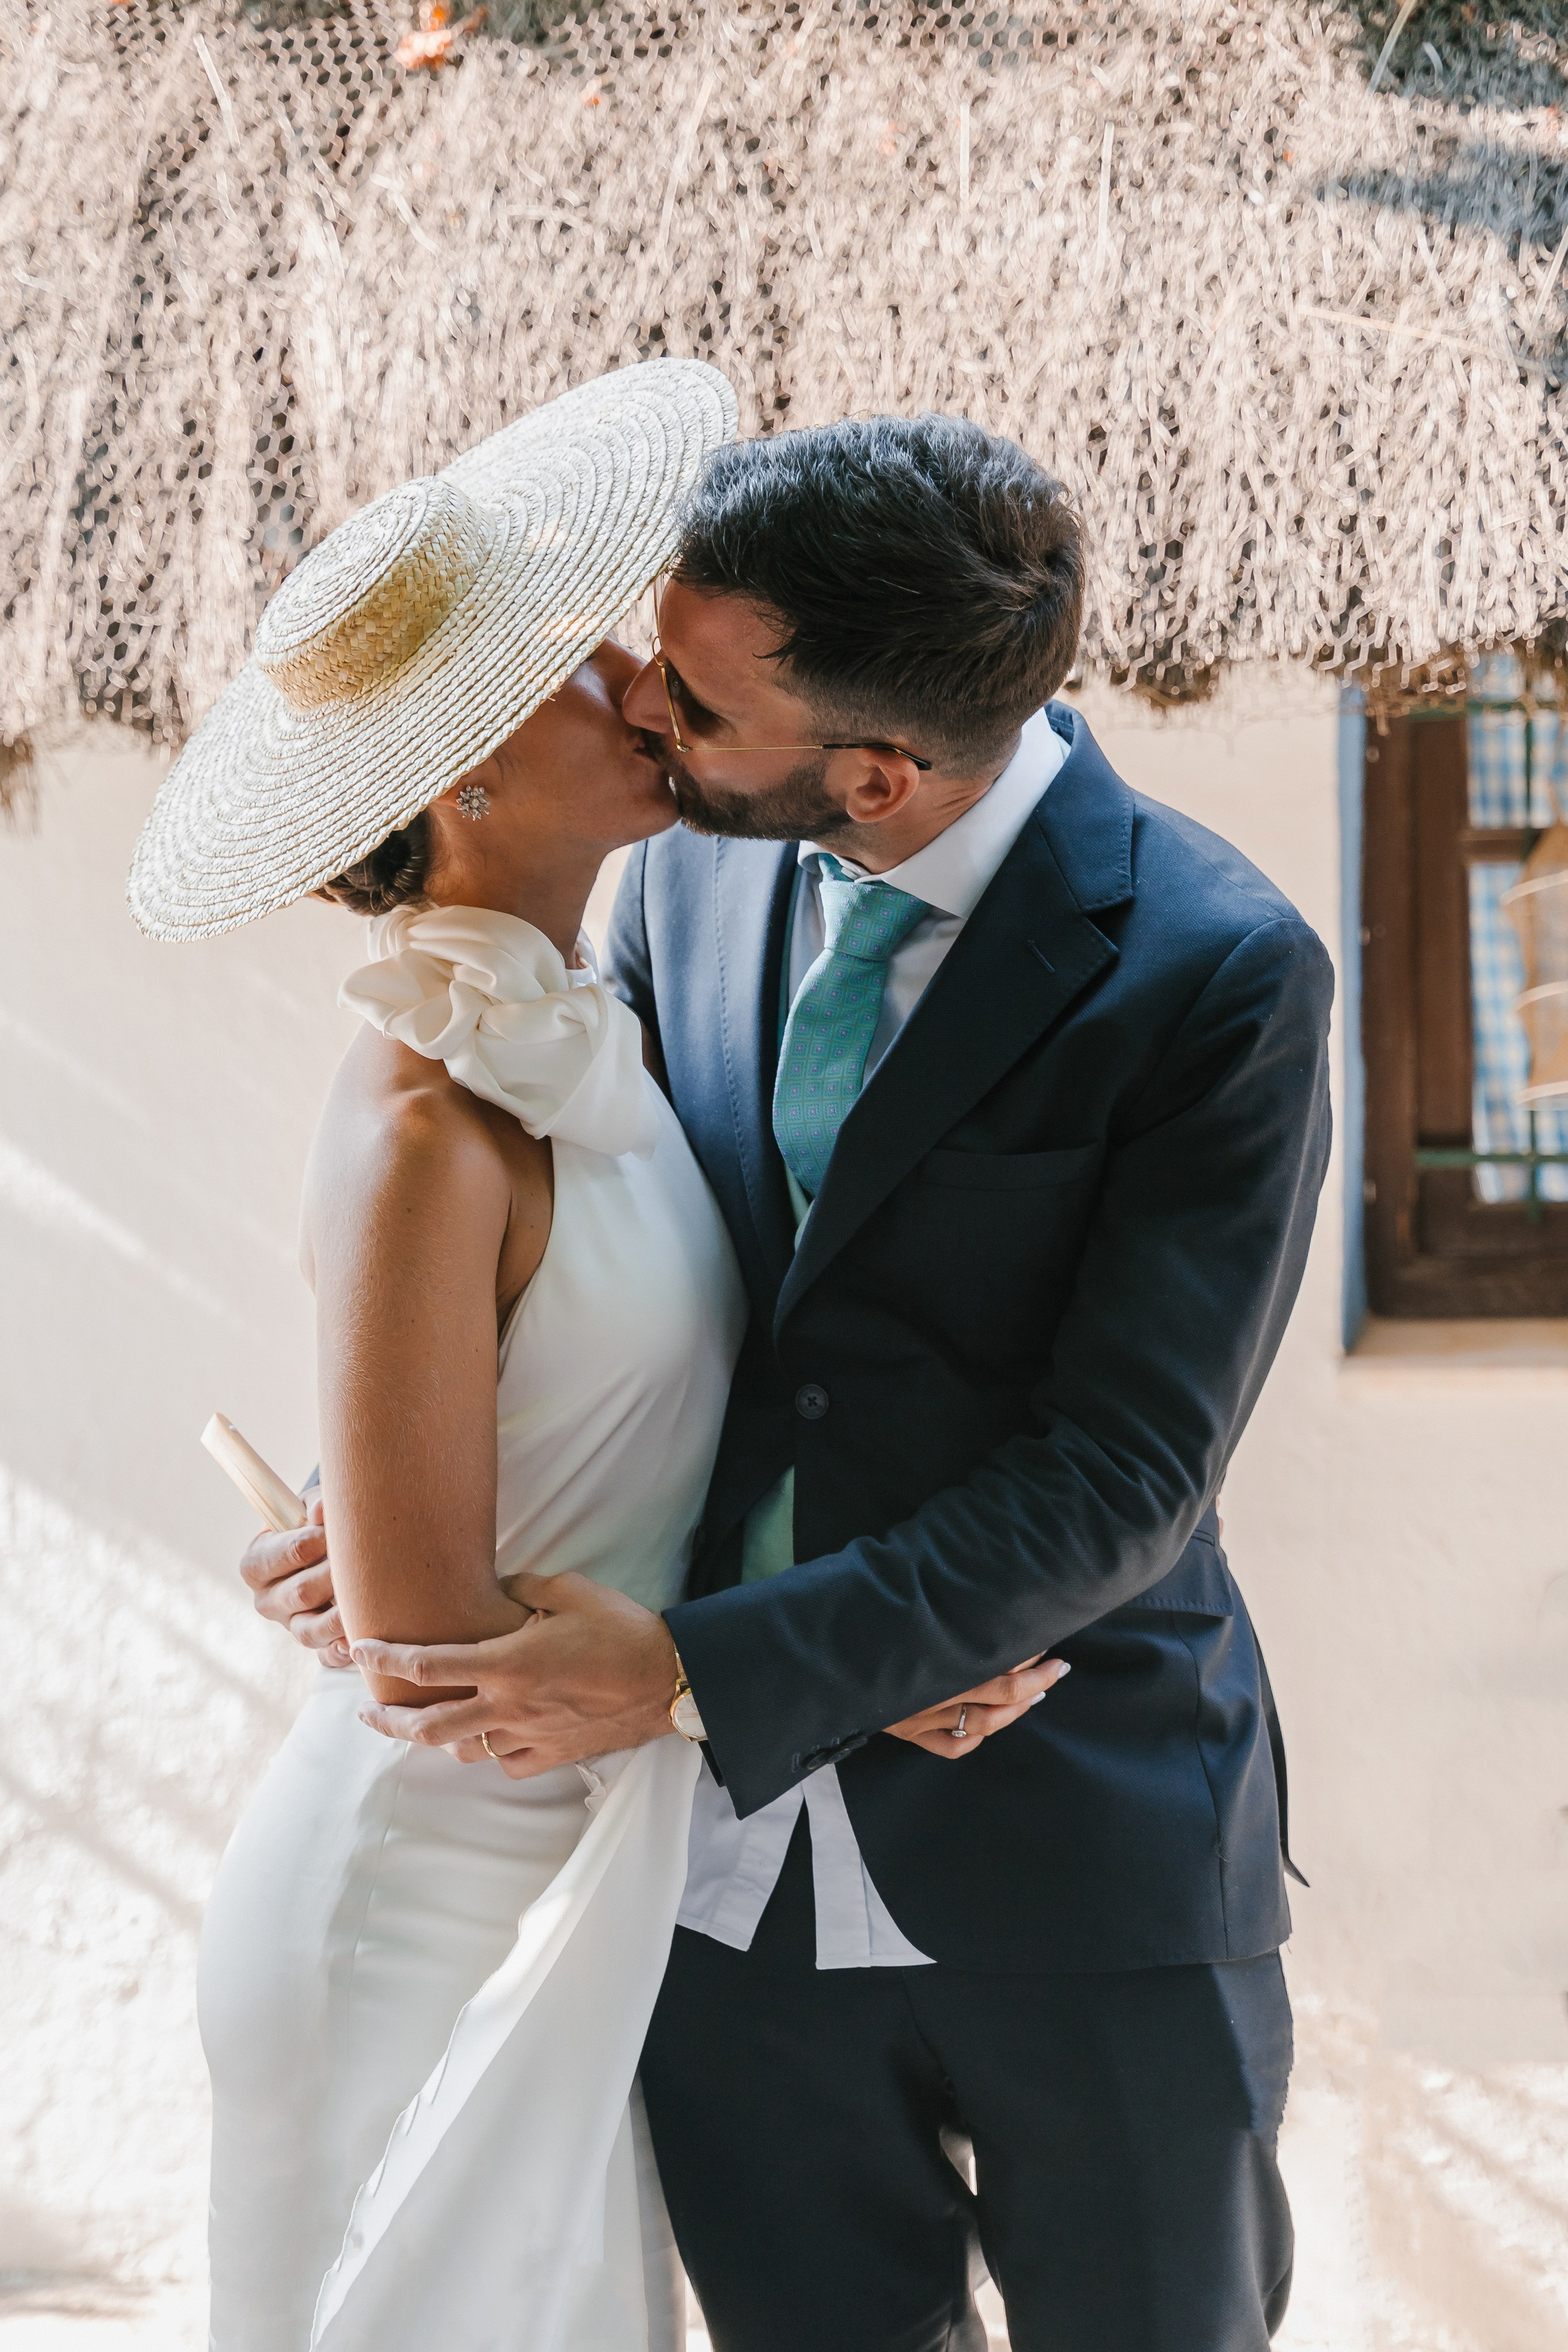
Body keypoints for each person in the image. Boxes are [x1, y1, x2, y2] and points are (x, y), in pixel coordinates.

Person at [305, 412, 1334, 2351]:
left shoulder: (1219, 970)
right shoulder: (689, 875)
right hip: (712, 1897)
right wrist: (385, 1476)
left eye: (691, 705)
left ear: (871, 769)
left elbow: (1124, 1471)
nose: (638, 714)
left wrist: (706, 1669)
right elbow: (624, 1274)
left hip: (1081, 1842)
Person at [136, 364, 1049, 2352]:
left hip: (587, 1877)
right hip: (418, 1905)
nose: (637, 681)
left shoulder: (590, 1028)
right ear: (462, 772)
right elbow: (433, 1644)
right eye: (568, 673)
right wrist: (855, 1690)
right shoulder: (422, 1125)